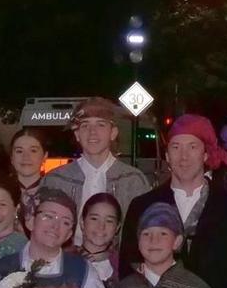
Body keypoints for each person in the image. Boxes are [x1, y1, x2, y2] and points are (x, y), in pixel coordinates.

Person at [121, 114, 227, 288]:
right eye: (176, 147)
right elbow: (128, 271)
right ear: (167, 156)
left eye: (192, 147)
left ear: (205, 154)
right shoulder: (142, 206)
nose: (183, 156)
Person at [44, 97, 154, 237]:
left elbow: (143, 230)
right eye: (85, 125)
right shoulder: (56, 180)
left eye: (101, 125)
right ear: (77, 135)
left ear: (113, 133)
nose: (92, 132)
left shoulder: (132, 181)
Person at [9, 127, 52, 223]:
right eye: (19, 151)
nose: (26, 157)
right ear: (12, 157)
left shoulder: (54, 194)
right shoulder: (1, 192)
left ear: (45, 156)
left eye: (33, 151)